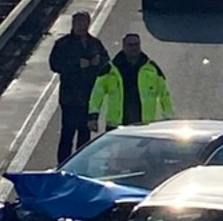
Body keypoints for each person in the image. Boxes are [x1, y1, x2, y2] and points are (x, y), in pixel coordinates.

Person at [49, 11, 109, 164]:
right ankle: (63, 165)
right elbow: (55, 65)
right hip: (70, 97)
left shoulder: (94, 43)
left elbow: (107, 62)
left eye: (85, 23)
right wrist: (76, 64)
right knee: (67, 133)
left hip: (89, 97)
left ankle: (81, 165)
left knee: (85, 135)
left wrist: (99, 61)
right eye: (79, 23)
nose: (82, 26)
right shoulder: (63, 44)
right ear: (73, 24)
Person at [88, 33, 174, 133]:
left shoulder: (152, 69)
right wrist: (93, 117)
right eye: (130, 45)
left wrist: (169, 118)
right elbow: (97, 94)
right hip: (116, 126)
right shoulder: (111, 69)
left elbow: (164, 95)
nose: (134, 48)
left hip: (144, 126)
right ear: (123, 46)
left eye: (136, 45)